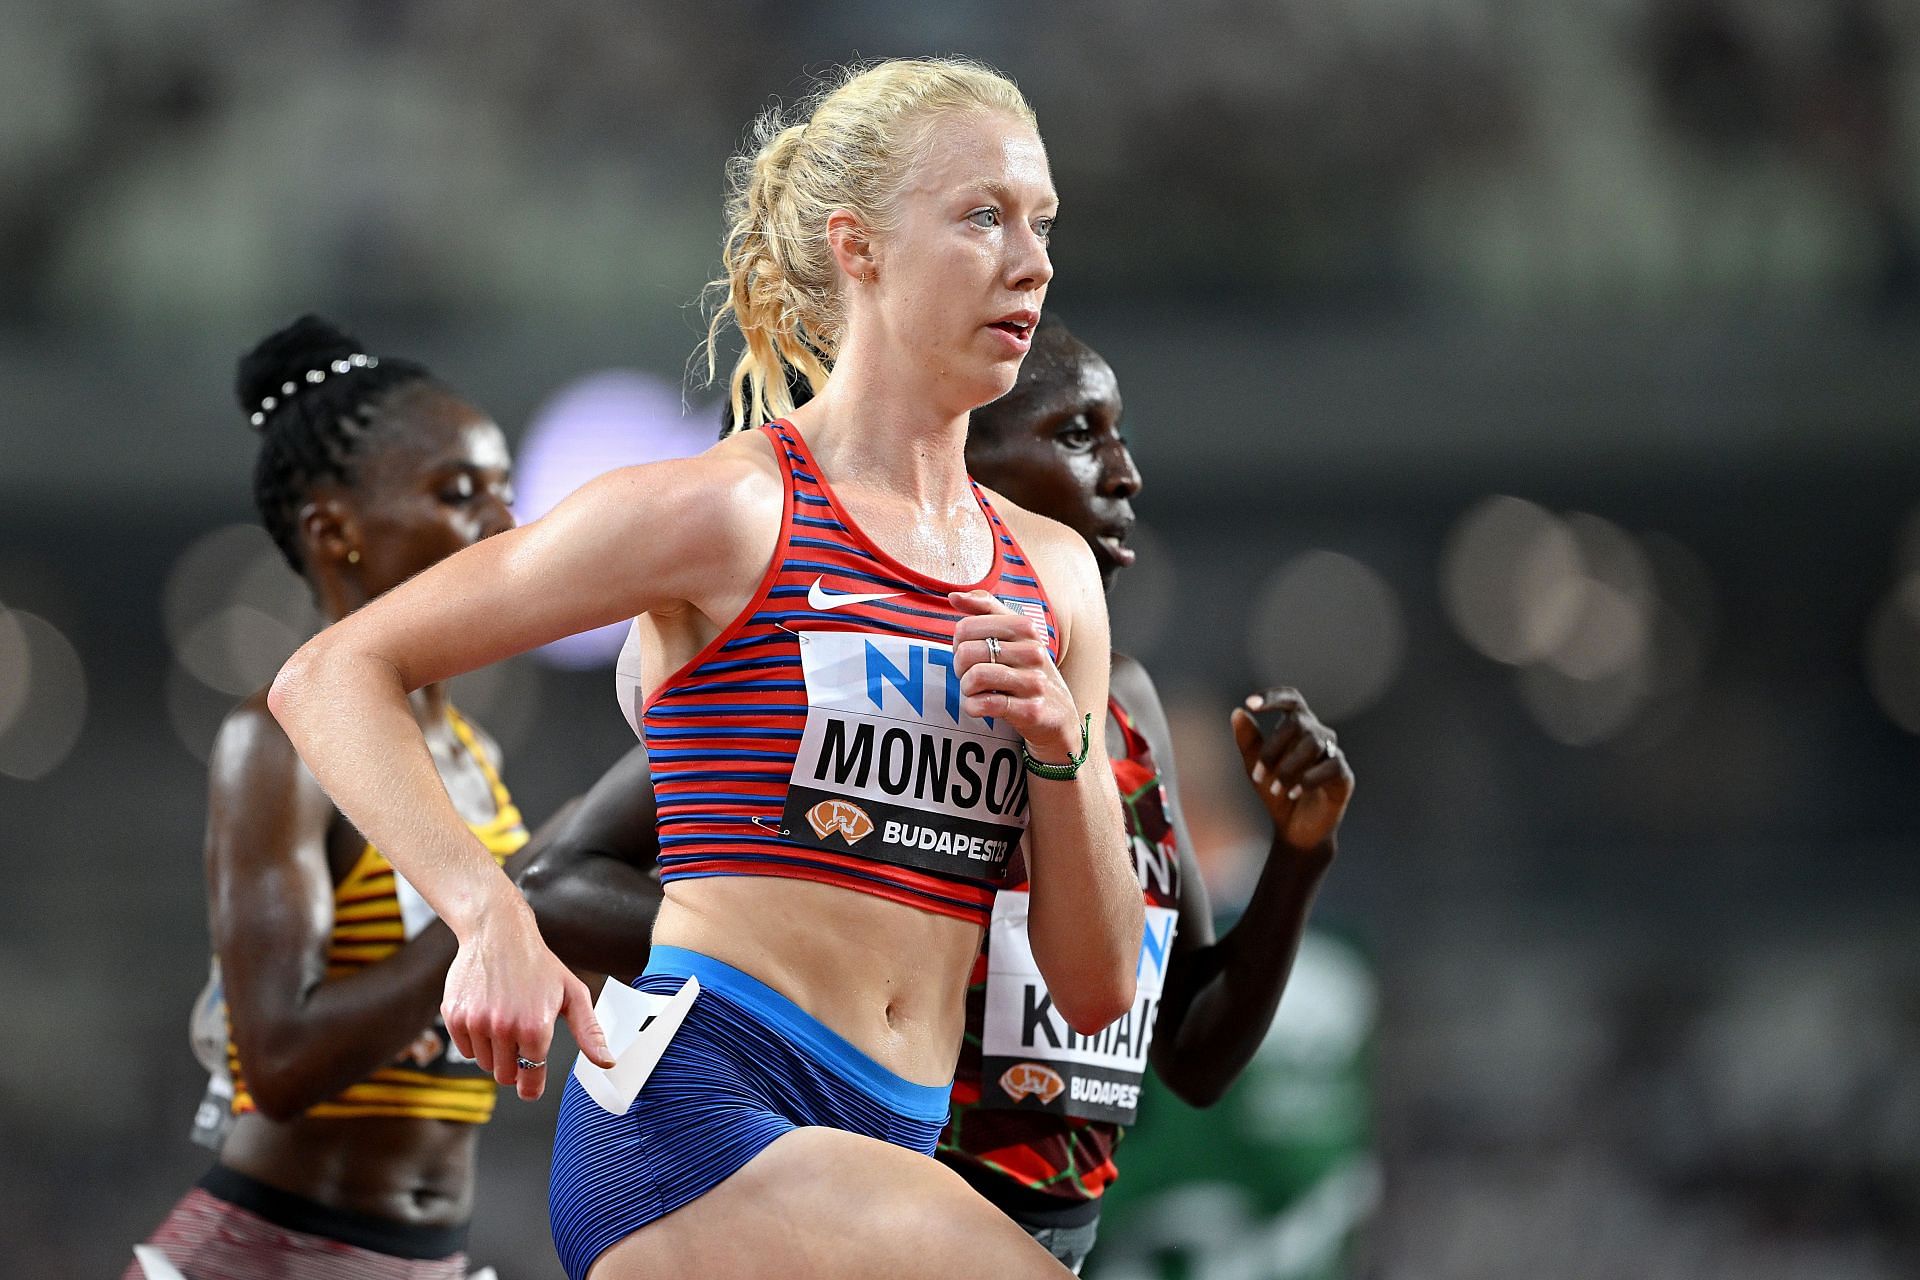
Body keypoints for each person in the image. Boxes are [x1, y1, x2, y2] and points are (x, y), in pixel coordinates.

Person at [267, 59, 1143, 1280]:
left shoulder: (1053, 578)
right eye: (983, 214)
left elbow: (1098, 987)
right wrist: (488, 913)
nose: (1033, 258)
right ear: (861, 247)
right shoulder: (731, 510)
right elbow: (332, 673)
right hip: (697, 1118)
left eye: (1043, 221)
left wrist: (1064, 744)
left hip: (889, 1136)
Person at [518, 315, 1354, 1272]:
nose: (1124, 474)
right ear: (960, 459)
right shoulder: (877, 685)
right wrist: (835, 967)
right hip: (867, 1196)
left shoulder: (1124, 706)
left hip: (1060, 1228)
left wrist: (1297, 856)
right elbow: (555, 880)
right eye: (1076, 435)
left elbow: (1191, 1051)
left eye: (1118, 436)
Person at [128, 316, 526, 1279]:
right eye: (458, 494)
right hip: (271, 1251)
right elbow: (280, 1059)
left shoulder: (478, 748)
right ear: (333, 530)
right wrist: (520, 908)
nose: (507, 529)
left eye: (506, 494)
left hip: (433, 1256)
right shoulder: (278, 743)